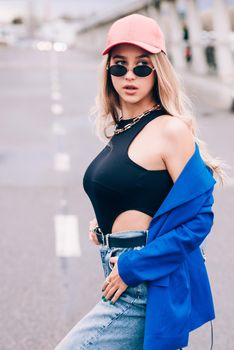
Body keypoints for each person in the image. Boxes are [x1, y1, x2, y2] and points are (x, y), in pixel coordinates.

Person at [55, 13, 228, 350]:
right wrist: (103, 224)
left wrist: (134, 264)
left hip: (143, 284)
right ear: (108, 72)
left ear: (158, 71)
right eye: (119, 66)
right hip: (118, 269)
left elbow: (199, 219)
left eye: (142, 66)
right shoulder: (124, 128)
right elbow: (140, 191)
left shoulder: (170, 130)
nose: (129, 76)